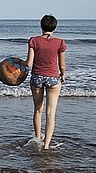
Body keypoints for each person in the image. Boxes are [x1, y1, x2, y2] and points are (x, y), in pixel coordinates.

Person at [24, 14, 67, 150]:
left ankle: (37, 138)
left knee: (37, 109)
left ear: (41, 26)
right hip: (53, 78)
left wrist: (19, 62)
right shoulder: (60, 42)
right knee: (50, 113)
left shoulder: (34, 41)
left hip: (37, 77)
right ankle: (47, 145)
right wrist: (63, 75)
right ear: (55, 27)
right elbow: (62, 65)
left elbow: (29, 63)